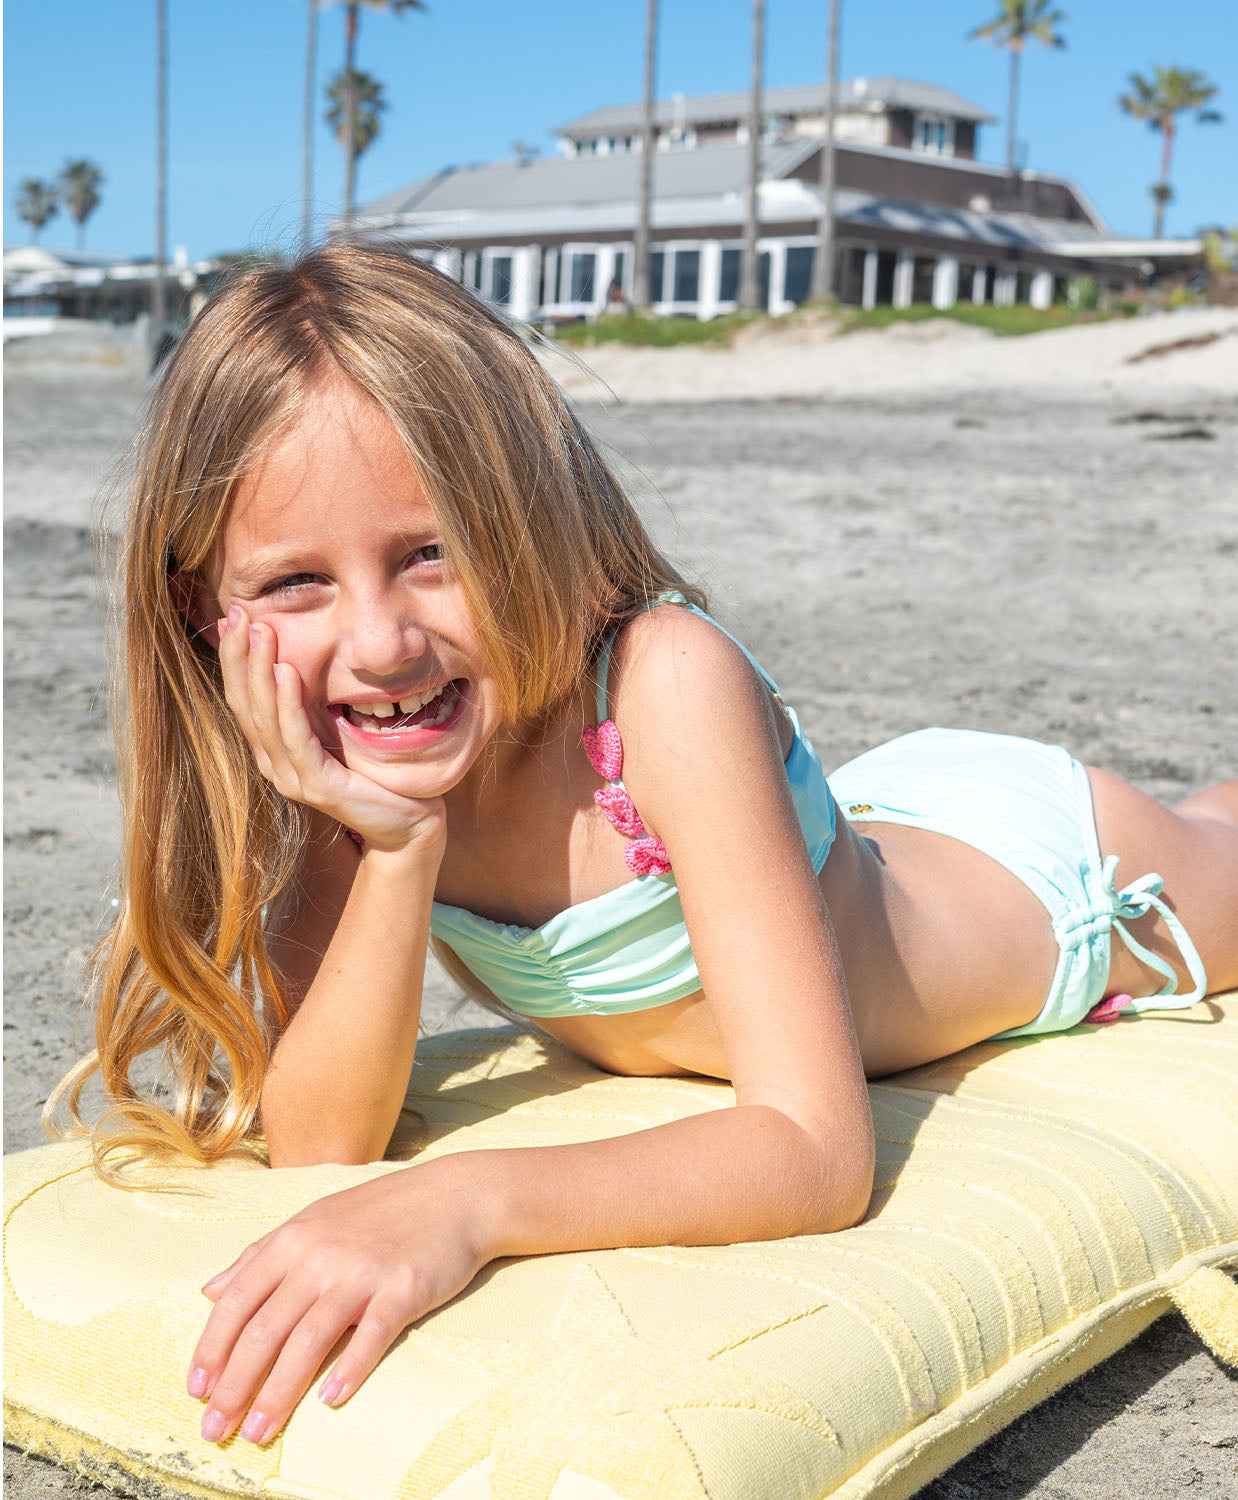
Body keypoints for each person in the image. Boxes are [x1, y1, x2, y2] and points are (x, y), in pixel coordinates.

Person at [52, 244, 1238, 1451]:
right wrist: (396, 848)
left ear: (531, 519)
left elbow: (813, 1151)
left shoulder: (660, 684)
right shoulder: (343, 768)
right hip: (861, 831)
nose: (379, 643)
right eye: (295, 582)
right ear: (208, 609)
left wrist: (462, 1205)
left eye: (430, 551)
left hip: (1047, 879)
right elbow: (321, 1140)